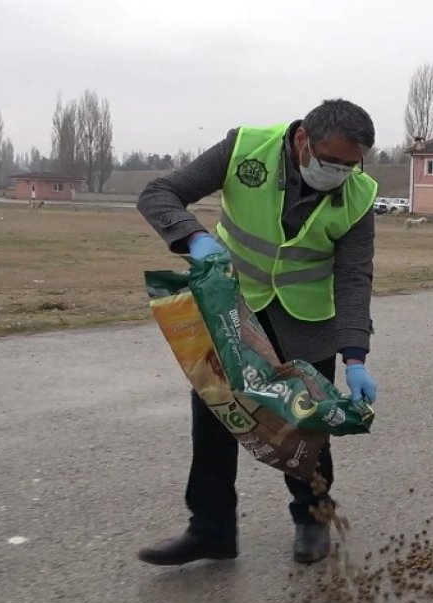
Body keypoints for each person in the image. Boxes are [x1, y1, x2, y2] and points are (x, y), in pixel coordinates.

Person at [134, 99, 380, 566]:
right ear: (303, 139)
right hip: (232, 310)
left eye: (352, 164)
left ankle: (313, 520)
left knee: (307, 426)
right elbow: (159, 193)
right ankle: (211, 530)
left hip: (306, 323)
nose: (341, 172)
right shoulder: (244, 148)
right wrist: (195, 238)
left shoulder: (359, 195)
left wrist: (355, 356)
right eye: (332, 161)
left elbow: (353, 277)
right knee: (215, 422)